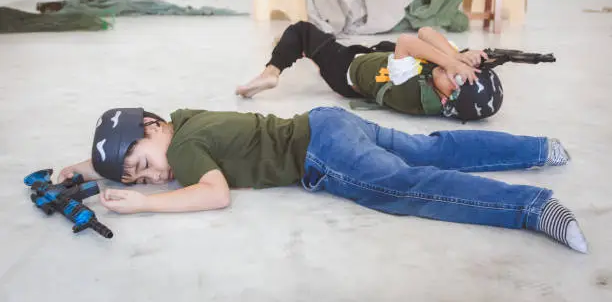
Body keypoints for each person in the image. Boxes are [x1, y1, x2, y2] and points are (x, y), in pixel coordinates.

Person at [58, 106, 588, 253]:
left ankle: (530, 206)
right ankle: (539, 149)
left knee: (407, 184)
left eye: (146, 164)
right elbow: (130, 153)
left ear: (154, 127)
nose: (156, 176)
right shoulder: (185, 118)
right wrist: (86, 168)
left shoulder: (189, 147)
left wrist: (145, 205)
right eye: (143, 179)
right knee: (430, 147)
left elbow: (213, 195)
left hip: (320, 152)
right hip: (327, 120)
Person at [237, 21, 505, 122]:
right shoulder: (439, 84)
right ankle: (290, 50)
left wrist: (450, 61)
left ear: (446, 100)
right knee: (320, 47)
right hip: (375, 56)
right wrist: (458, 56)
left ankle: (271, 72)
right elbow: (426, 32)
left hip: (346, 70)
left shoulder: (410, 87)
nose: (450, 72)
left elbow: (410, 41)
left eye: (453, 80)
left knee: (303, 32)